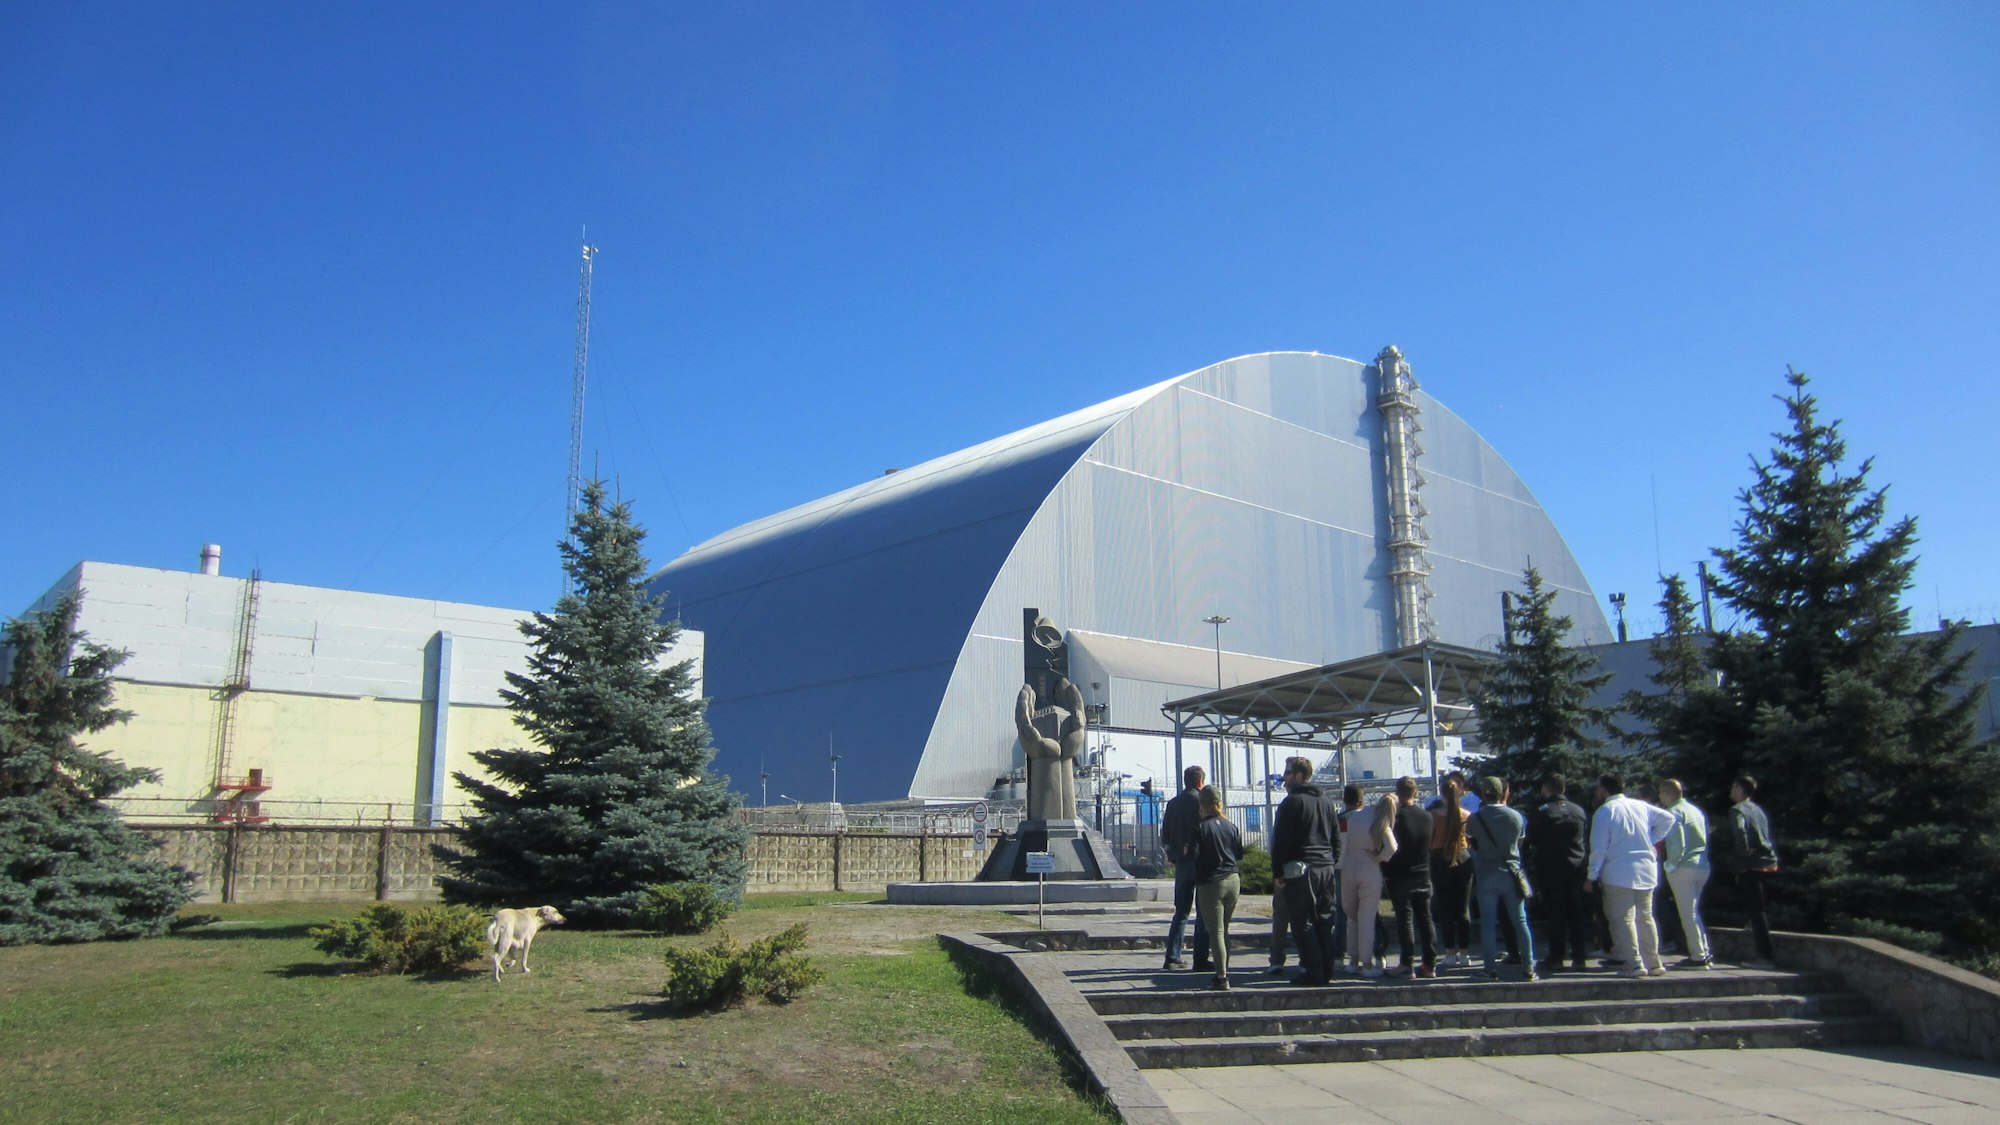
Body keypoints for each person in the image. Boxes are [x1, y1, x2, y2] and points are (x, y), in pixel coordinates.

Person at [1586, 773, 1676, 979]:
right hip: (1646, 869)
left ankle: (1634, 962)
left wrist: (1591, 875)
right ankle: (1653, 962)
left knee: (1622, 918)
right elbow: (1669, 818)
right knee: (1645, 917)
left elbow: (1598, 848)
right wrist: (1650, 841)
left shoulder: (1604, 811)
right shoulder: (1640, 806)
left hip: (1617, 871)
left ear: (1603, 790)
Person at [1270, 755, 1341, 986]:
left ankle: (1312, 971)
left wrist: (1278, 872)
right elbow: (1335, 838)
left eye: (1288, 773)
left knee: (1304, 922)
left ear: (1300, 776)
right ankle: (1325, 969)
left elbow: (1281, 840)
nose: (1284, 778)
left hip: (1302, 868)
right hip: (1326, 867)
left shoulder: (1292, 803)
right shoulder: (1327, 803)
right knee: (1325, 920)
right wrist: (1331, 861)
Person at [1466, 776, 1539, 981]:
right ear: (1503, 793)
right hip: (1511, 872)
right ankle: (1529, 967)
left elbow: (1472, 843)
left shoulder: (1475, 818)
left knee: (1488, 922)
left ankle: (1489, 969)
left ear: (1483, 794)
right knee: (1520, 920)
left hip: (1486, 872)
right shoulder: (1516, 816)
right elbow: (1520, 843)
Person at [1525, 772, 1591, 973]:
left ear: (1547, 788)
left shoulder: (1543, 812)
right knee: (1575, 912)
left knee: (1556, 913)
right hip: (1576, 867)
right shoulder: (1578, 810)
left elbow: (1531, 839)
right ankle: (1579, 957)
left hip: (1551, 868)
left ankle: (1557, 955)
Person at [1383, 776, 1438, 978]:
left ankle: (1406, 963)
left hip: (1400, 874)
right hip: (1423, 872)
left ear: (1397, 793)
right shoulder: (1427, 816)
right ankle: (1430, 964)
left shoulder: (1395, 817)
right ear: (1416, 794)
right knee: (1426, 919)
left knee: (1405, 919)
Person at [1339, 788, 1396, 977]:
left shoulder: (1355, 817)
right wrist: (1379, 858)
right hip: (1369, 867)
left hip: (1348, 865)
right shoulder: (1379, 820)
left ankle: (1352, 960)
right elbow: (1392, 847)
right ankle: (1367, 963)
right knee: (1367, 918)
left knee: (1352, 916)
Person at [1726, 775, 1781, 969]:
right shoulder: (1758, 810)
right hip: (1768, 861)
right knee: (1760, 909)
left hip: (1752, 864)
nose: (1731, 791)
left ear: (1742, 790)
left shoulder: (1737, 810)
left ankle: (1765, 956)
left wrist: (1742, 853)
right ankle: (1765, 953)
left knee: (1756, 911)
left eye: (1734, 787)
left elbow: (1740, 832)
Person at [1658, 778, 1713, 968]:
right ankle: (1704, 951)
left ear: (1667, 793)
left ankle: (1698, 955)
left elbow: (1677, 842)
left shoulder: (1673, 812)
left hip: (1683, 867)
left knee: (1687, 913)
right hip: (1702, 865)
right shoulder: (1694, 810)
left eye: (1661, 793)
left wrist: (1670, 865)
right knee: (1694, 911)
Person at [1193, 786, 1244, 990]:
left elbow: (1195, 856)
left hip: (1212, 882)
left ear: (1202, 805)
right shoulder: (1230, 826)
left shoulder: (1201, 828)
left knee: (1215, 931)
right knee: (1225, 928)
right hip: (1233, 879)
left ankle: (1221, 977)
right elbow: (1238, 853)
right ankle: (1225, 967)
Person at [1160, 765, 1210, 970]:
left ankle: (1172, 956)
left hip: (1181, 861)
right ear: (1201, 782)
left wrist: (1174, 854)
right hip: (1201, 862)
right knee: (1204, 911)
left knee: (1181, 912)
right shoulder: (1203, 803)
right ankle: (1200, 958)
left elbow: (1166, 834)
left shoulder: (1173, 803)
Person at [1428, 772, 1476, 970]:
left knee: (1445, 907)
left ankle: (1449, 952)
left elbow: (1431, 839)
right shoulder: (1466, 815)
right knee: (1463, 908)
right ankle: (1465, 953)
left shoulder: (1434, 815)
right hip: (1463, 857)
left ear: (1441, 793)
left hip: (1440, 858)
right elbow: (1471, 840)